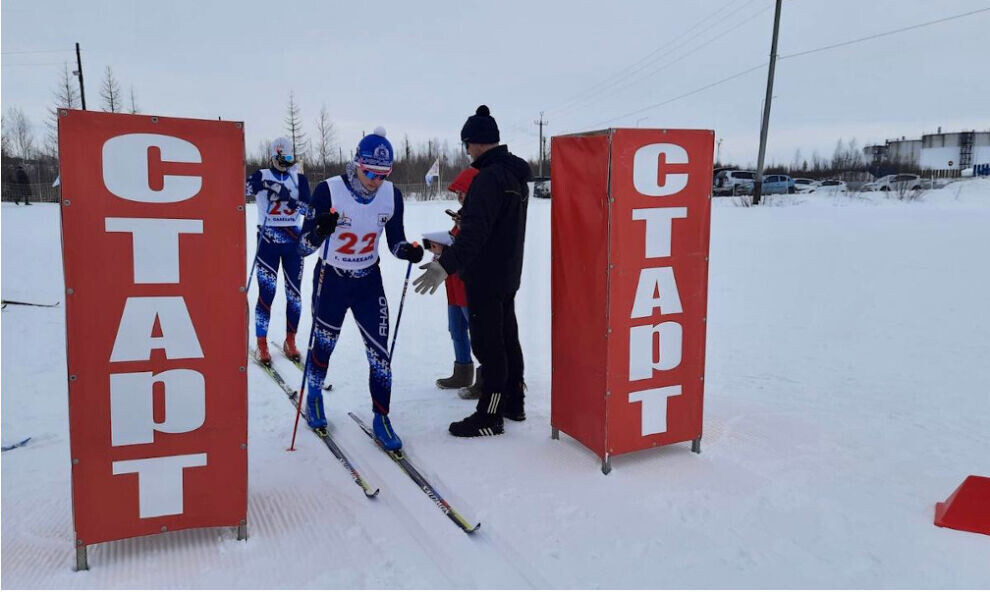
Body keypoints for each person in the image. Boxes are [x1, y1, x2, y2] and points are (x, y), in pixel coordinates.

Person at [297, 127, 423, 450]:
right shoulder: (328, 191)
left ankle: (381, 417)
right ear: (357, 164)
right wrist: (320, 229)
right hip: (333, 279)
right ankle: (313, 397)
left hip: (369, 281)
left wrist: (407, 251)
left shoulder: (391, 195)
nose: (375, 180)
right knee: (324, 346)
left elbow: (394, 240)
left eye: (384, 174)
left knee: (380, 355)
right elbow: (303, 246)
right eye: (369, 172)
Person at [413, 105, 532, 438]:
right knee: (507, 338)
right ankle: (513, 401)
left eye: (467, 144)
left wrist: (443, 267)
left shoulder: (488, 179)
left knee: (489, 345)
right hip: (508, 274)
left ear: (478, 142)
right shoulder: (514, 176)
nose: (466, 151)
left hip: (486, 276)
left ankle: (489, 415)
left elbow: (473, 235)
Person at [246, 137, 311, 366]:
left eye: (290, 159)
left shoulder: (298, 179)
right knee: (267, 292)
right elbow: (240, 190)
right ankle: (261, 342)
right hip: (267, 241)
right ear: (273, 156)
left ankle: (290, 340)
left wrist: (292, 202)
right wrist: (264, 186)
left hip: (293, 243)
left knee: (294, 295)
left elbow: (310, 211)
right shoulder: (261, 175)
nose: (286, 163)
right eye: (282, 159)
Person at [429, 167, 478, 391]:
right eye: (458, 193)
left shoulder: (478, 219)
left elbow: (472, 251)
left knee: (480, 335)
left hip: (470, 288)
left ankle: (491, 377)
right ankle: (463, 373)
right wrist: (440, 251)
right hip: (454, 287)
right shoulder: (461, 218)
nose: (459, 197)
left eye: (463, 193)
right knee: (456, 330)